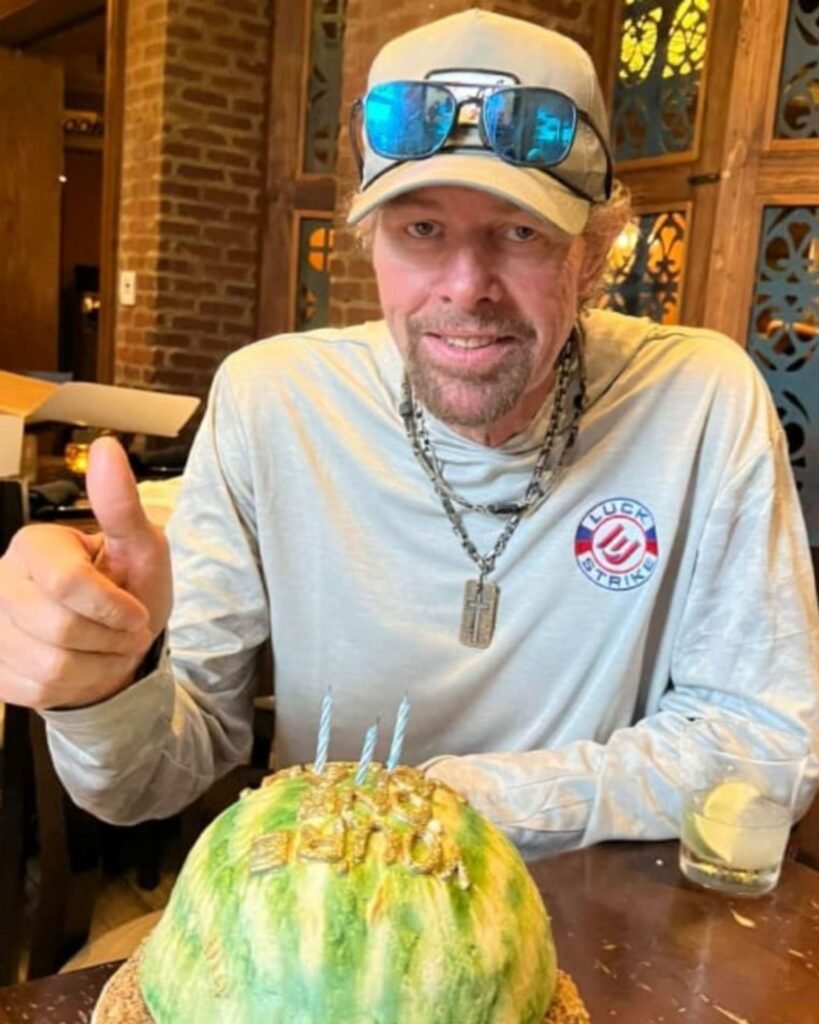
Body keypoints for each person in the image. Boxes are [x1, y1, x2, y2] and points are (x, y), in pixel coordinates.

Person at [1, 9, 817, 863]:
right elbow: (147, 781)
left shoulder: (697, 399)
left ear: (594, 253)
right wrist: (104, 691)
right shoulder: (271, 400)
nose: (465, 287)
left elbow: (765, 747)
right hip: (332, 904)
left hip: (598, 910)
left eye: (521, 231)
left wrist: (439, 806)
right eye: (421, 230)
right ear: (369, 243)